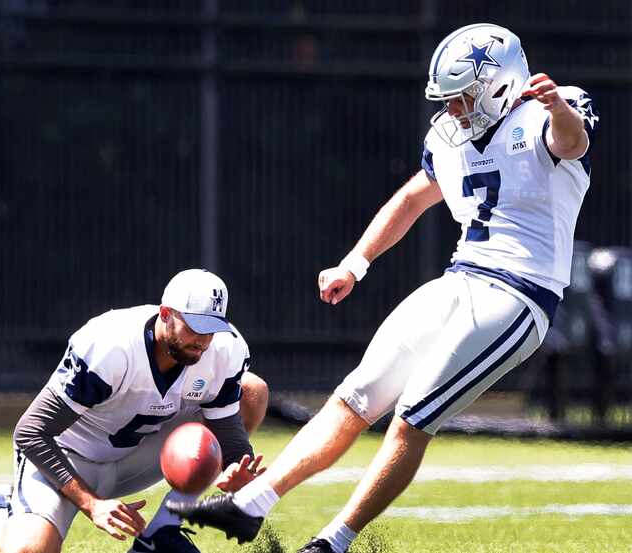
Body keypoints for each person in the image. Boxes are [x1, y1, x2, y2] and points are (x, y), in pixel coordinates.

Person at [168, 22, 600, 553]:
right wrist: (355, 263)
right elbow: (412, 199)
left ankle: (334, 541)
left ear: (500, 84)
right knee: (354, 396)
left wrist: (556, 106)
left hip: (519, 295)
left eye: (465, 98)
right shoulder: (447, 135)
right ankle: (250, 504)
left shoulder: (549, 113)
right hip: (460, 277)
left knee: (413, 413)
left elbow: (571, 142)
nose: (456, 111)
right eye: (451, 99)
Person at [0, 269, 269, 553]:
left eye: (211, 329)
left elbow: (228, 431)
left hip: (139, 453)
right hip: (69, 456)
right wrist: (93, 505)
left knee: (251, 391)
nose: (202, 341)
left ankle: (163, 532)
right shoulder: (111, 346)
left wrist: (235, 471)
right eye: (194, 327)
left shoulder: (223, 350)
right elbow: (31, 432)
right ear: (166, 314)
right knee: (29, 550)